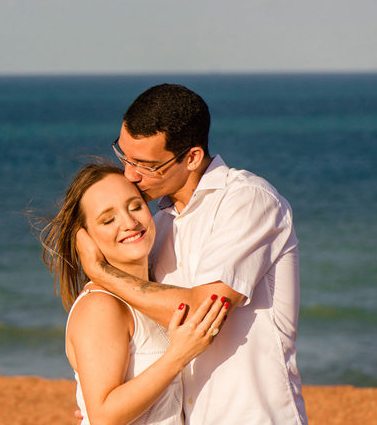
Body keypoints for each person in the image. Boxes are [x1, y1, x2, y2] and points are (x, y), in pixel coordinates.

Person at [76, 84, 307, 424]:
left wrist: (103, 274)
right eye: (124, 156)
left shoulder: (246, 201)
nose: (129, 174)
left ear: (193, 157)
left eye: (145, 164)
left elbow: (203, 310)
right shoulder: (155, 227)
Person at [40, 161, 228, 425]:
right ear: (86, 238)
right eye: (108, 220)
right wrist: (178, 356)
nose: (129, 222)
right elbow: (104, 416)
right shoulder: (101, 306)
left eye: (135, 206)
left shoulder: (157, 293)